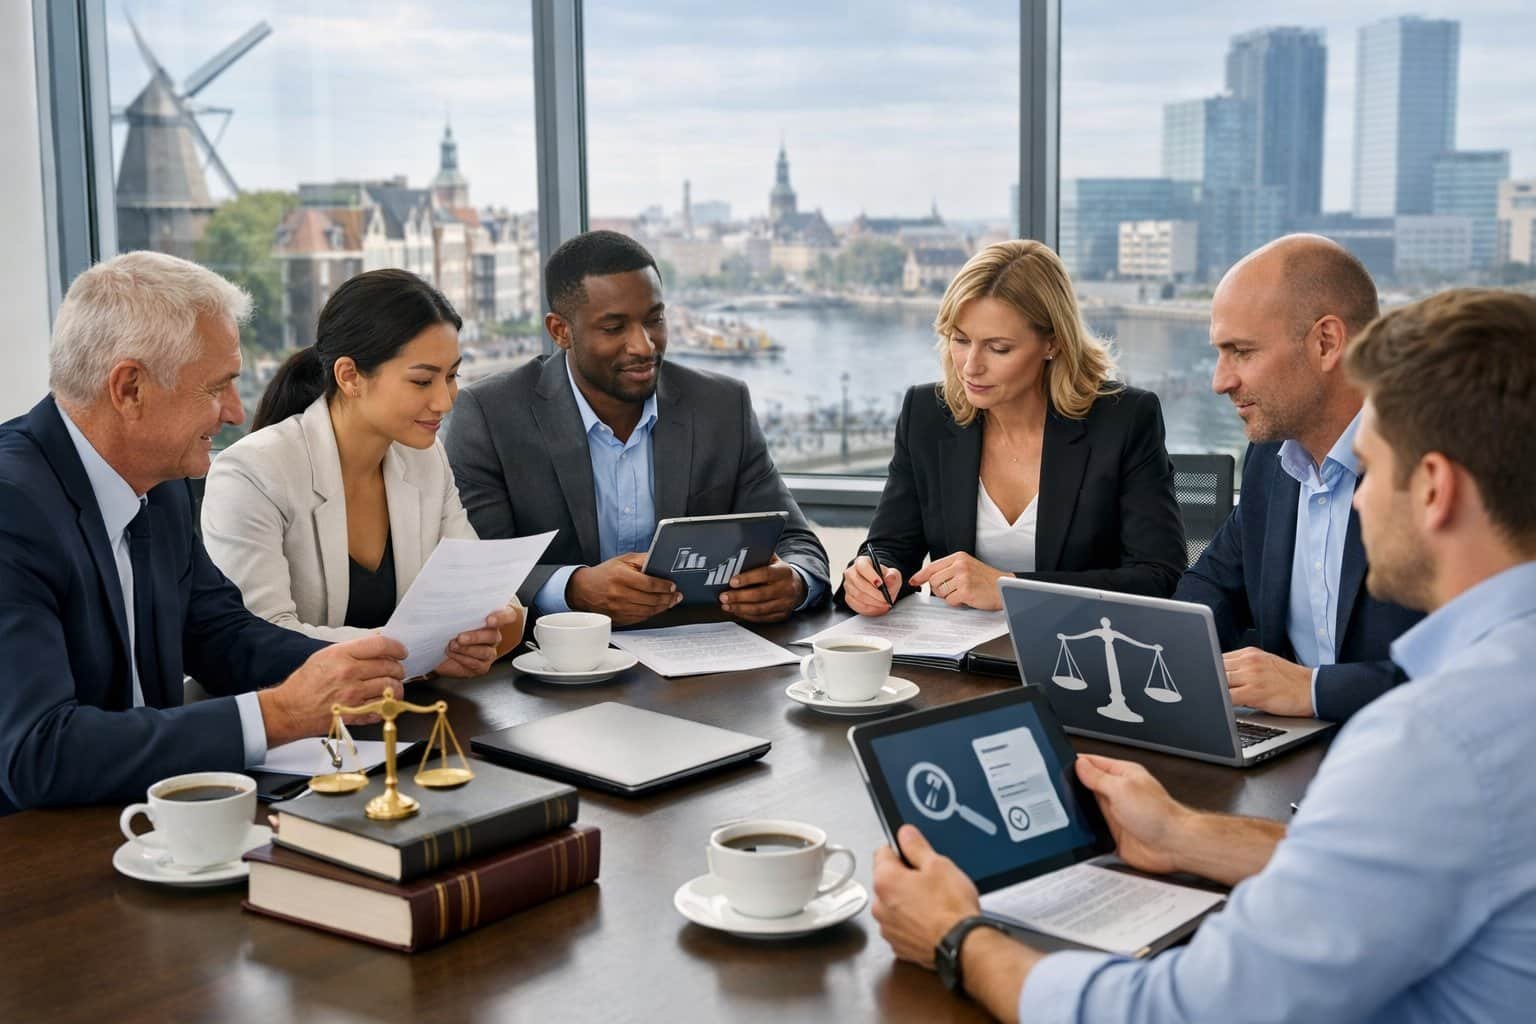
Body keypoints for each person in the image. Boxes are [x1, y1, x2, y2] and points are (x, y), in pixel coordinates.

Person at [869, 288, 1536, 1022]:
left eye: (1371, 471)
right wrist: (1188, 833)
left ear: (1434, 489)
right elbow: (1396, 868)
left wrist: (955, 936)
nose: (1351, 501)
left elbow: (1182, 1011)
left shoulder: (1434, 742)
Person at [0, 252, 411, 813]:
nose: (237, 413)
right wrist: (280, 714)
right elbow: (36, 753)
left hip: (164, 817)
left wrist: (363, 666)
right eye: (217, 387)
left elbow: (221, 634)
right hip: (43, 859)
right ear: (130, 388)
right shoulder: (11, 506)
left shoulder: (161, 479)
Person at [443, 230, 830, 625]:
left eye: (654, 320)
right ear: (560, 331)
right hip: (555, 665)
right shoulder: (490, 415)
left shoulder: (722, 405)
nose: (644, 345)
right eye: (614, 328)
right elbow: (480, 568)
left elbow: (798, 544)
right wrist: (573, 589)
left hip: (701, 661)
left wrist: (795, 583)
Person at [200, 269, 521, 673]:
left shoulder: (426, 459)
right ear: (349, 376)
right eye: (422, 381)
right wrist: (424, 648)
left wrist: (497, 622)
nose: (445, 401)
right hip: (305, 724)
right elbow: (263, 636)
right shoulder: (253, 472)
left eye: (453, 376)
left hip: (405, 711)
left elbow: (479, 586)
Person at [840, 240, 1185, 615]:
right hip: (959, 659)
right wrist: (873, 577)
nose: (970, 366)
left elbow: (1159, 577)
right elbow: (892, 547)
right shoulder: (926, 414)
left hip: (1082, 650)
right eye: (960, 340)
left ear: (1052, 342)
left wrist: (1010, 588)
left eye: (998, 348)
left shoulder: (1126, 419)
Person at [1173, 234, 1420, 722]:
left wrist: (1314, 689)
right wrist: (1164, 649)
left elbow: (1475, 673)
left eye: (1241, 351)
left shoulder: (1428, 468)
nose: (1219, 381)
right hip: (1288, 749)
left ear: (1326, 342)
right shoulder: (1272, 456)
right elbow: (1214, 582)